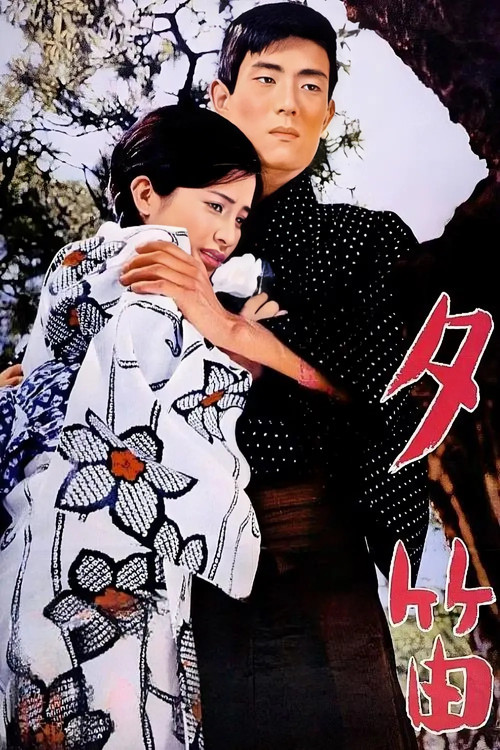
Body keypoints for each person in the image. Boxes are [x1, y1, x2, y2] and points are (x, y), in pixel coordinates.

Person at [120, 5, 430, 750]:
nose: (290, 102)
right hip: (161, 562)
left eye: (311, 85)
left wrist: (234, 331)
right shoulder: (160, 231)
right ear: (222, 97)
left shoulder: (368, 238)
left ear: (329, 113)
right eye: (267, 78)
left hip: (310, 541)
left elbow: (397, 388)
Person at [0, 104, 336, 750]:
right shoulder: (164, 270)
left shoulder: (72, 266)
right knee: (122, 713)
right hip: (108, 554)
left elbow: (40, 380)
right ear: (146, 195)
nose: (228, 234)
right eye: (216, 206)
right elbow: (171, 418)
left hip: (30, 542)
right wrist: (238, 347)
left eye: (240, 218)